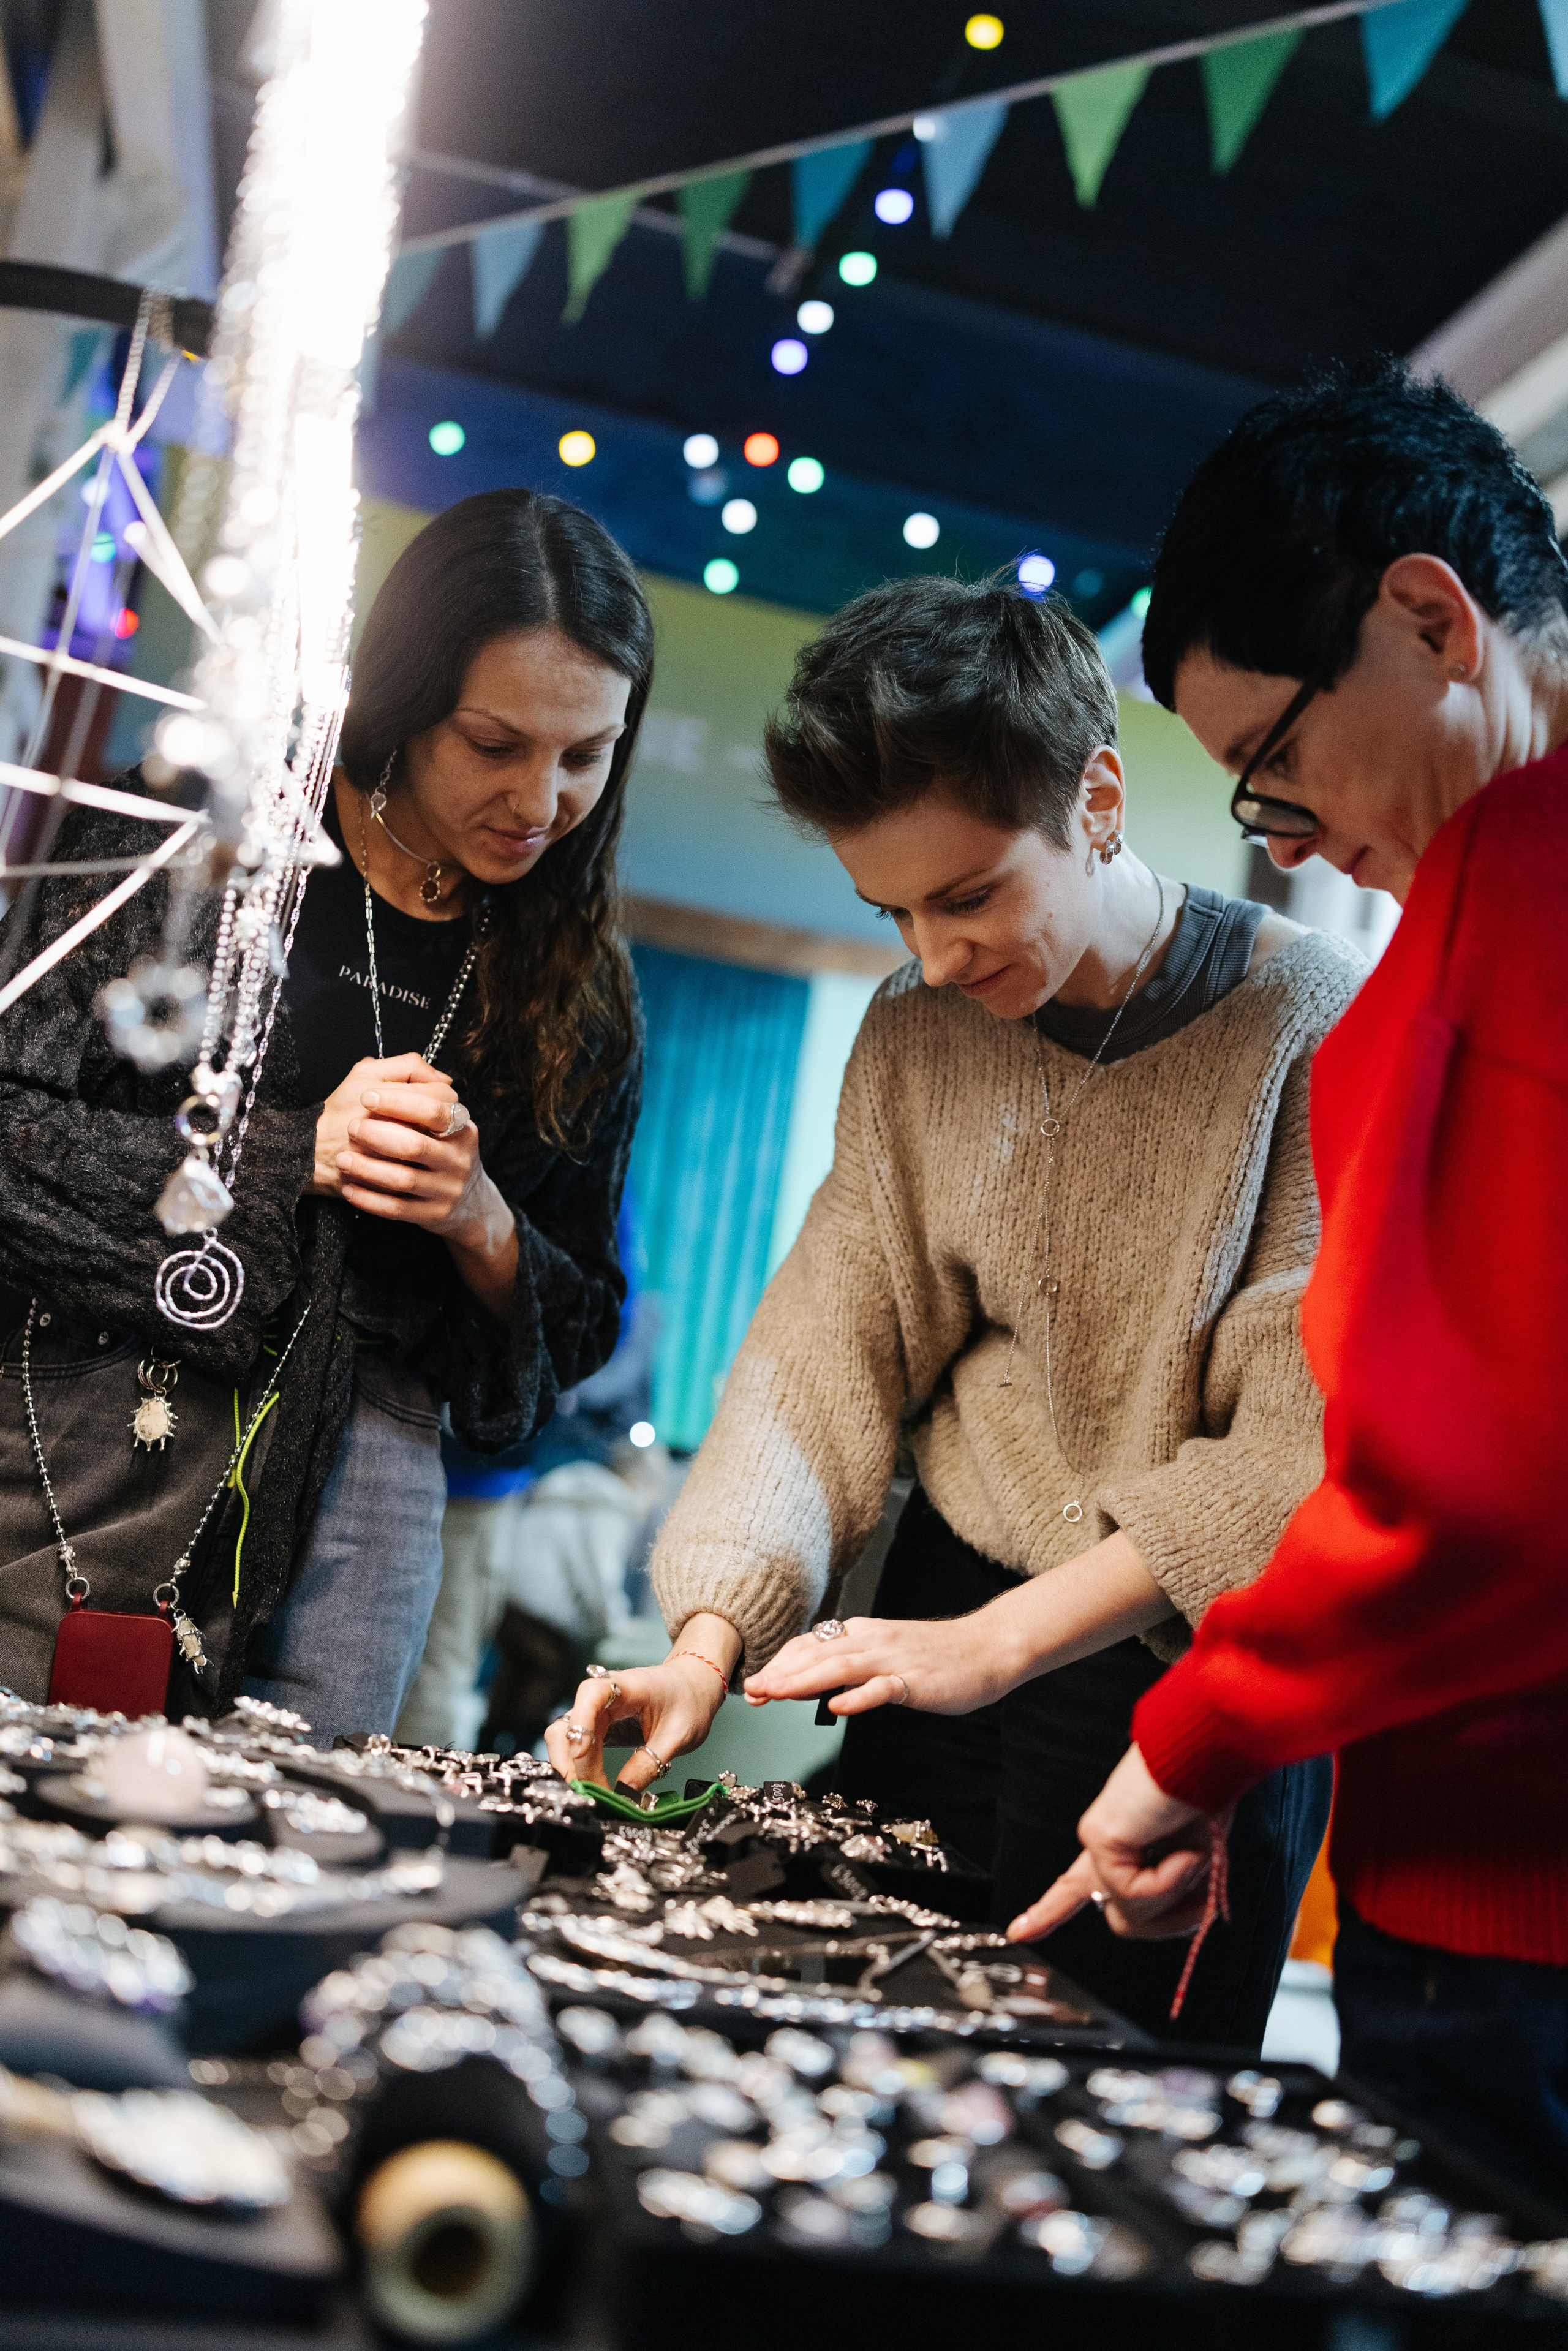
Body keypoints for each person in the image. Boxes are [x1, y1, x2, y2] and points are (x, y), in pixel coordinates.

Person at [546, 572, 1362, 2047]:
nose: (929, 957)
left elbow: (1294, 1456)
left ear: (1096, 796)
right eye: (891, 909)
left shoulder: (1307, 1021)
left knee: (1101, 2112)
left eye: (969, 894)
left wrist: (1002, 1640)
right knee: (856, 2054)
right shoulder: (916, 1034)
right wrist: (707, 1639)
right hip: (931, 1625)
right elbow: (826, 1344)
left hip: (1170, 1663)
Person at [1012, 358, 1568, 2203]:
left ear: (1431, 620)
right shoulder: (1429, 959)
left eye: (1278, 775)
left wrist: (1199, 1729)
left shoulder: (1516, 909)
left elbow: (1472, 1481)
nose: (1294, 840)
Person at [0, 488, 650, 1742]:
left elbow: (576, 1327)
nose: (540, 800)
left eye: (586, 754)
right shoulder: (198, 838)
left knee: (277, 1876)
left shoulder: (581, 981)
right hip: (80, 1423)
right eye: (495, 742)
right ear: (402, 699)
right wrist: (293, 1154)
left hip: (371, 1478)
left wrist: (485, 1223)